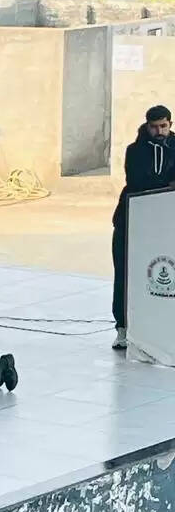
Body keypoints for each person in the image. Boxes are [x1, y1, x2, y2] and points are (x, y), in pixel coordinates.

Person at [111, 104, 174, 351]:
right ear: (147, 126)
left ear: (170, 124)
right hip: (132, 220)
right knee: (125, 274)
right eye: (154, 126)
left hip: (167, 223)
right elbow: (137, 181)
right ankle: (123, 329)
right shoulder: (135, 150)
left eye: (163, 126)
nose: (159, 131)